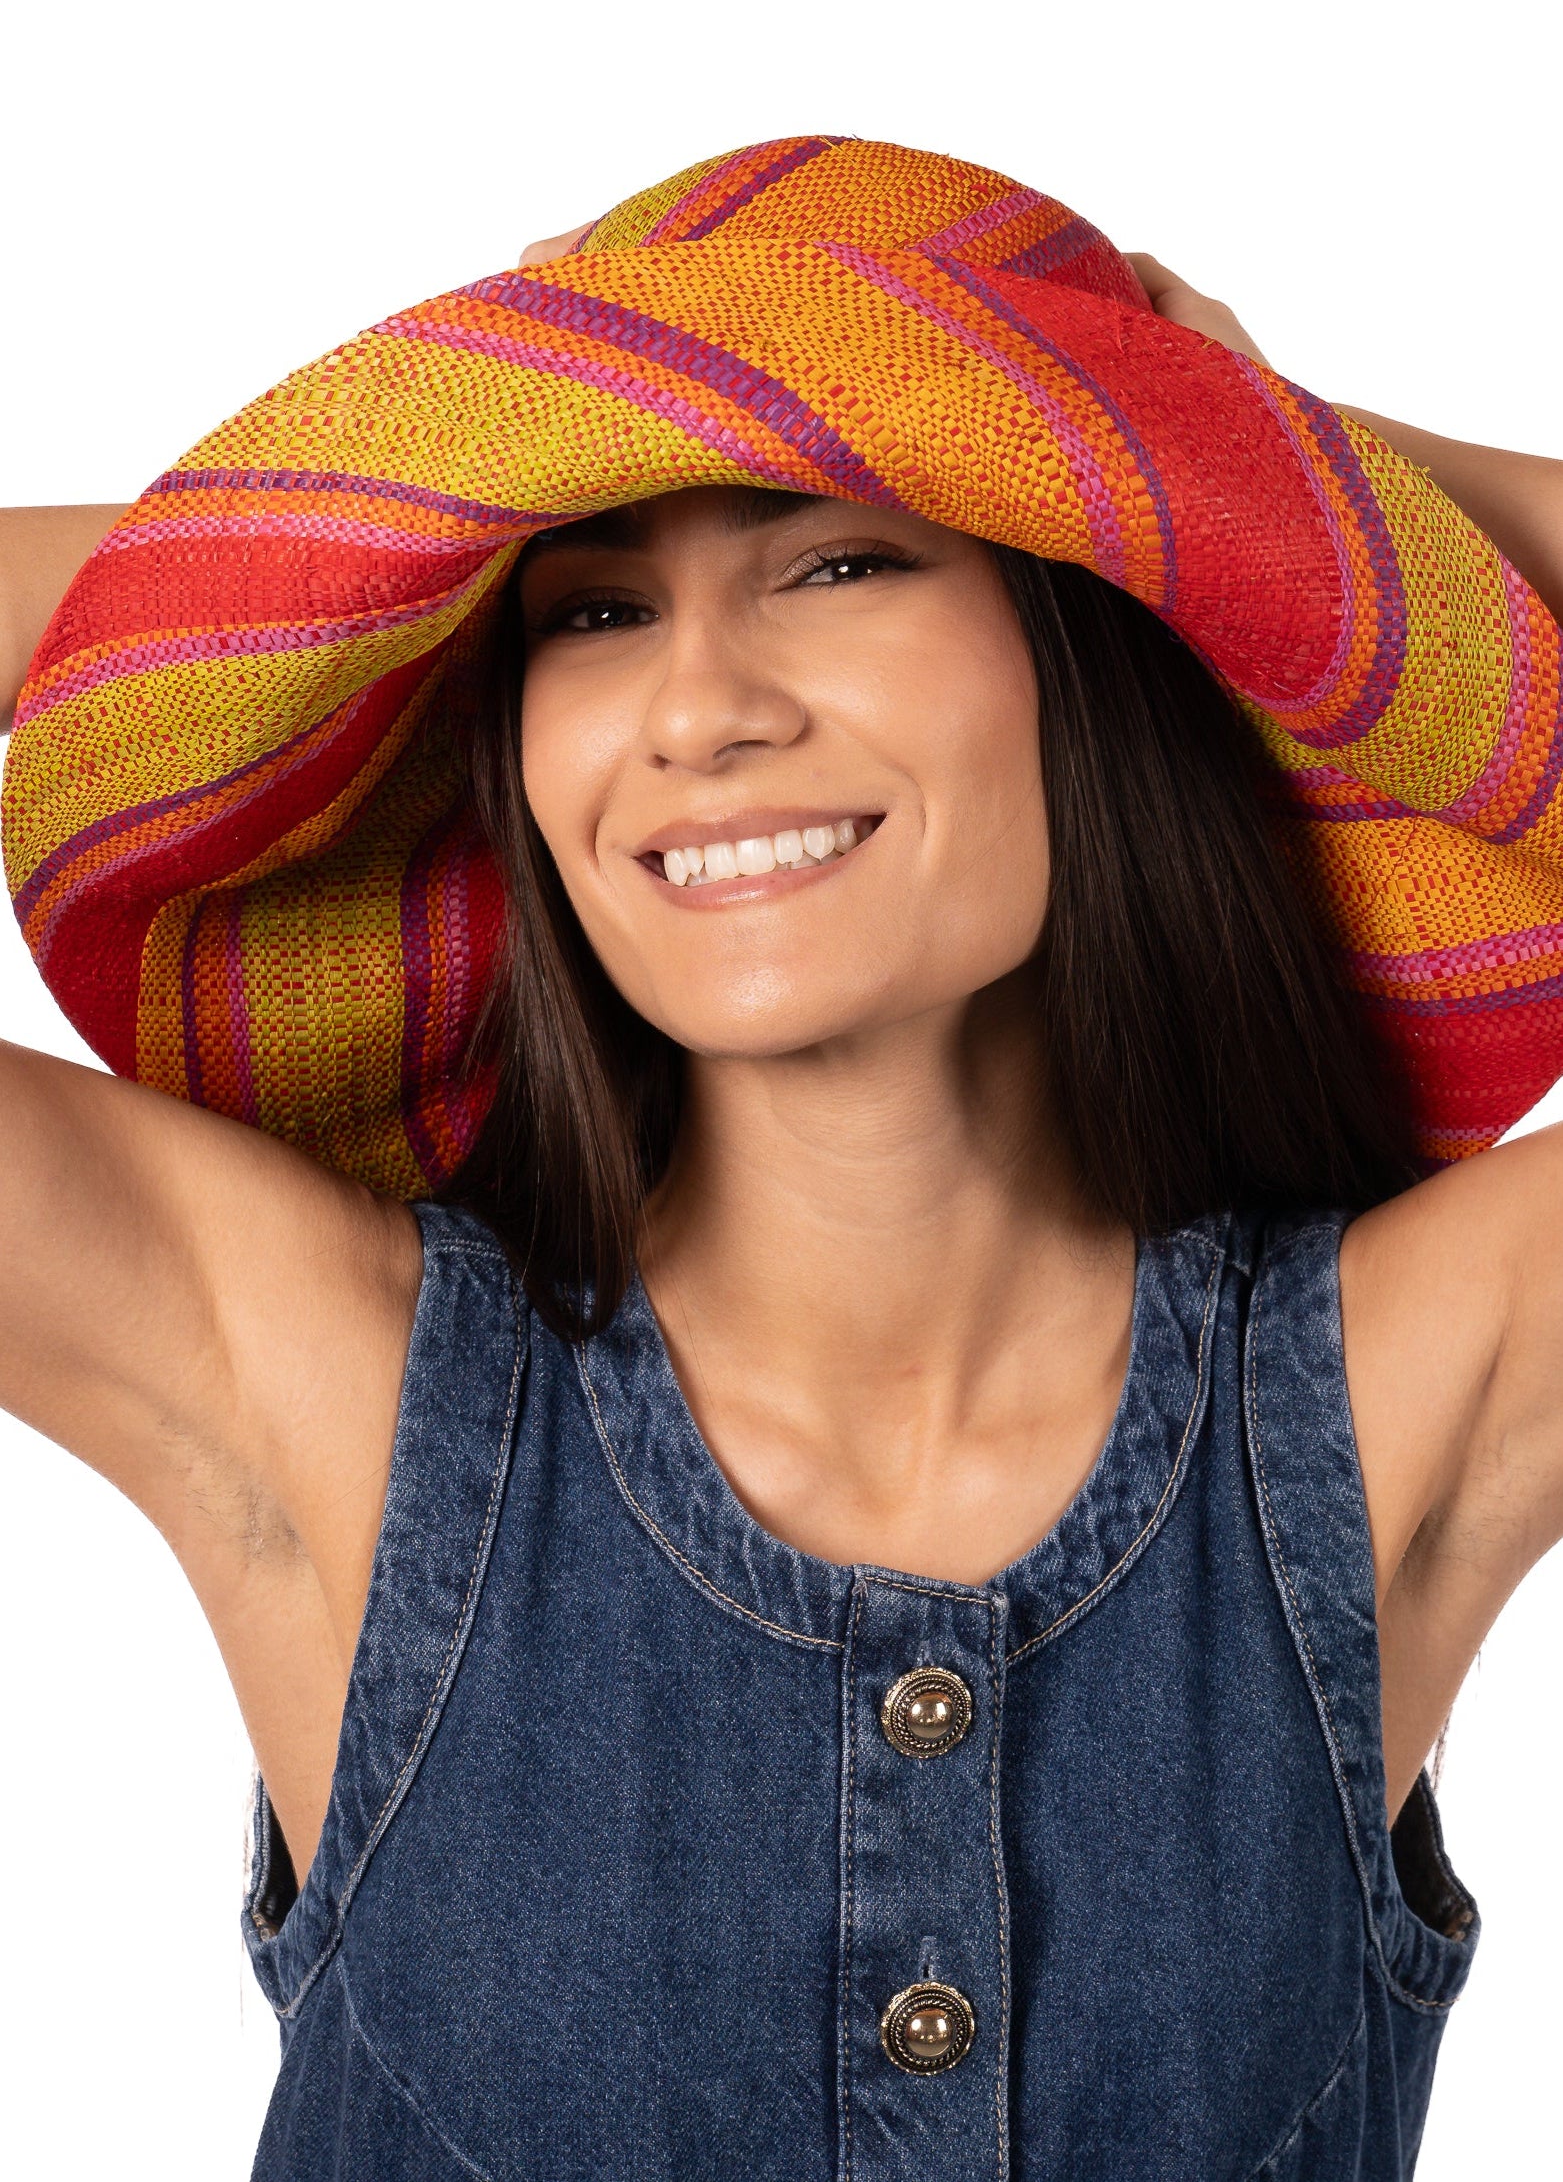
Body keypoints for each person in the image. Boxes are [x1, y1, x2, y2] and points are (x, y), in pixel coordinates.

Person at [3, 135, 1562, 2180]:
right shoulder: (313, 1374)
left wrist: (1244, 464)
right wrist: (344, 529)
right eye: (593, 609)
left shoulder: (1399, 1389)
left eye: (836, 561)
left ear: (1099, 625)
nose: (694, 709)